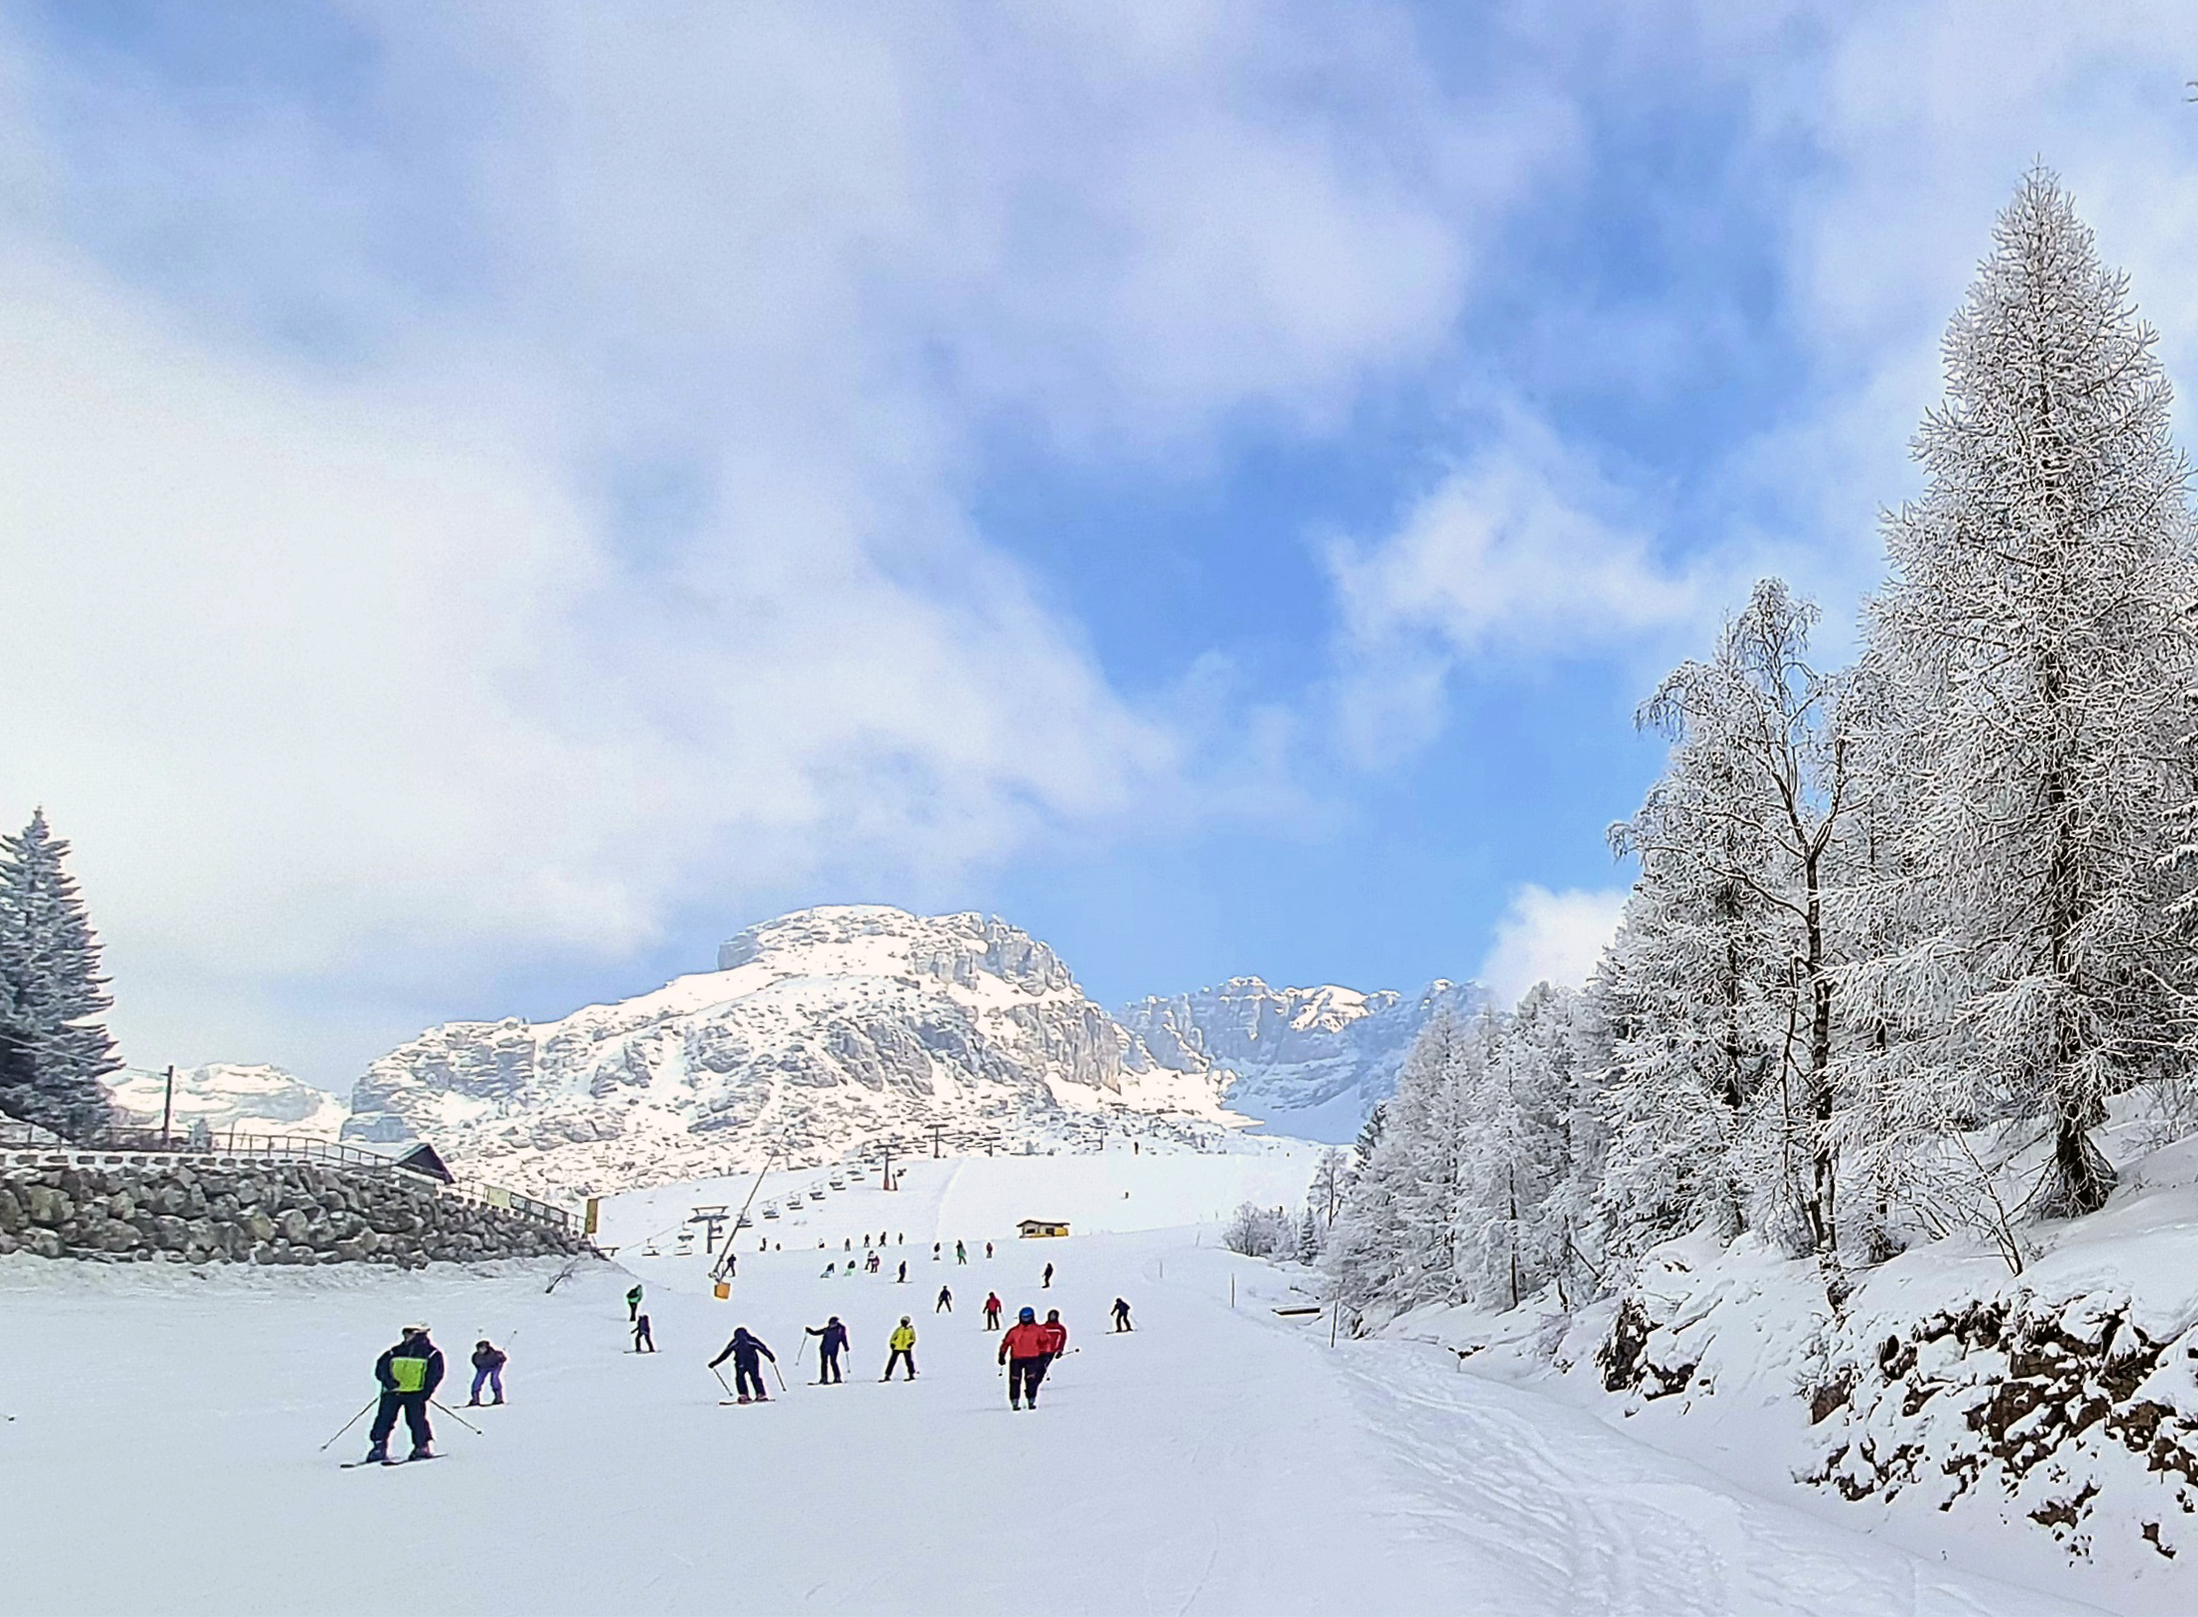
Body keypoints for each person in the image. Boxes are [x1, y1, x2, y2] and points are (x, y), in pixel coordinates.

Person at [364, 1323, 443, 1464]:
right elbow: (381, 1368)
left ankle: (421, 1447)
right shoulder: (395, 1351)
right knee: (384, 1420)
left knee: (416, 1421)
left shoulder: (432, 1354)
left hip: (415, 1394)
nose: (406, 1336)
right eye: (405, 1333)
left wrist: (427, 1391)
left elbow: (435, 1374)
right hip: (392, 1393)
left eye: (409, 1332)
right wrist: (388, 1381)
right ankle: (378, 1447)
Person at [999, 1307, 1051, 1410]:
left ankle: (1031, 1399)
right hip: (1016, 1359)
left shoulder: (1038, 1330)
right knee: (1015, 1381)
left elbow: (1045, 1342)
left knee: (1031, 1380)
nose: (1025, 1320)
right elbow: (1006, 1343)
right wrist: (1002, 1355)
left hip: (1033, 1358)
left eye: (1027, 1317)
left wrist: (1045, 1354)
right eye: (1023, 1317)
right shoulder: (1014, 1331)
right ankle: (1015, 1401)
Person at [708, 1327, 776, 1402]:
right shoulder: (751, 1339)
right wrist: (770, 1356)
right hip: (752, 1361)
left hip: (740, 1362)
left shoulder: (735, 1341)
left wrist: (715, 1363)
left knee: (740, 1378)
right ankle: (760, 1394)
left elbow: (725, 1354)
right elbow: (762, 1348)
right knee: (755, 1377)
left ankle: (743, 1395)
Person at [804, 1316, 850, 1384]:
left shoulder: (840, 1330)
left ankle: (837, 1377)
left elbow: (843, 1338)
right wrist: (810, 1331)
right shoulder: (827, 1330)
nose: (830, 1325)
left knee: (833, 1362)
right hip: (824, 1348)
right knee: (824, 1363)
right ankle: (824, 1378)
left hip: (833, 1349)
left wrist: (846, 1347)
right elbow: (816, 1333)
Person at [467, 1338, 507, 1405]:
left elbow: (503, 1358)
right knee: (477, 1381)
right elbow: (475, 1362)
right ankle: (475, 1399)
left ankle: (498, 1397)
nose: (481, 1350)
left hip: (495, 1367)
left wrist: (500, 1363)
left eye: (483, 1348)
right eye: (480, 1348)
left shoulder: (494, 1354)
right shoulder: (476, 1356)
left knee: (494, 1379)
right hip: (483, 1368)